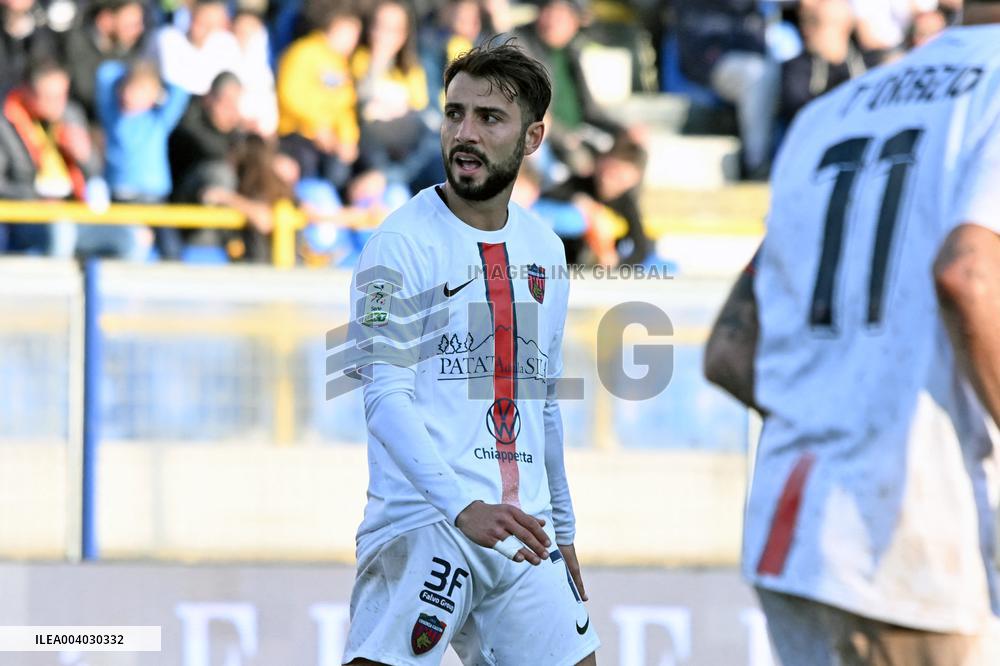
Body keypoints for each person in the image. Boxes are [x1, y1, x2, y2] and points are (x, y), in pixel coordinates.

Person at [704, 1, 1000, 663]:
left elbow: (729, 350)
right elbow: (970, 276)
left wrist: (841, 412)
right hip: (917, 536)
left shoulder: (832, 110)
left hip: (797, 536)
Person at [341, 39, 599, 665]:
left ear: (533, 138)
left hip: (523, 533)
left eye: (489, 118)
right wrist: (462, 508)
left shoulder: (545, 250)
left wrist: (563, 534)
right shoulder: (398, 244)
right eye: (455, 113)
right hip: (426, 522)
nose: (465, 133)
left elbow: (543, 404)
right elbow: (383, 397)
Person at [276, 0, 361, 188]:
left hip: (328, 140)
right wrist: (317, 128)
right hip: (296, 135)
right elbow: (290, 96)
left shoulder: (340, 65)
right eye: (352, 33)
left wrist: (348, 139)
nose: (354, 41)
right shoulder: (302, 52)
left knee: (342, 170)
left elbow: (345, 108)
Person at [779, 0, 865, 124]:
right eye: (806, 23)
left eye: (815, 24)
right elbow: (798, 112)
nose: (807, 30)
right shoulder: (797, 69)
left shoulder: (864, 65)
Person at [64, 0, 147, 124]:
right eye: (131, 24)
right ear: (105, 20)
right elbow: (85, 92)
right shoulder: (74, 43)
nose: (140, 30)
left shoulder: (129, 53)